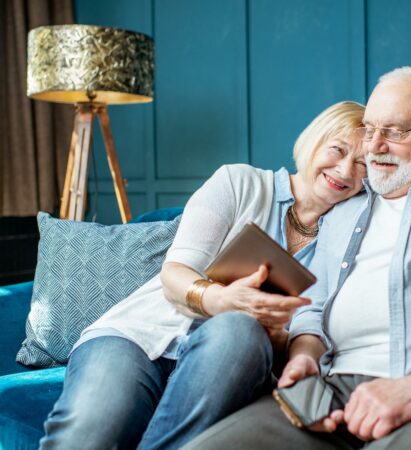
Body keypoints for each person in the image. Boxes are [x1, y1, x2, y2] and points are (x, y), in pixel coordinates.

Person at [183, 67, 411, 450]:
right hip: (333, 397)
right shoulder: (342, 212)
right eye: (369, 128)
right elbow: (313, 307)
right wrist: (305, 357)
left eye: (394, 132)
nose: (374, 146)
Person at [39, 101, 368, 450]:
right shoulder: (239, 182)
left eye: (362, 163)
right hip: (141, 335)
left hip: (236, 354)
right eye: (338, 149)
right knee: (87, 435)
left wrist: (297, 353)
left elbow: (309, 323)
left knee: (239, 327)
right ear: (314, 142)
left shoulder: (351, 231)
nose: (345, 170)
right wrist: (219, 299)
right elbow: (176, 272)